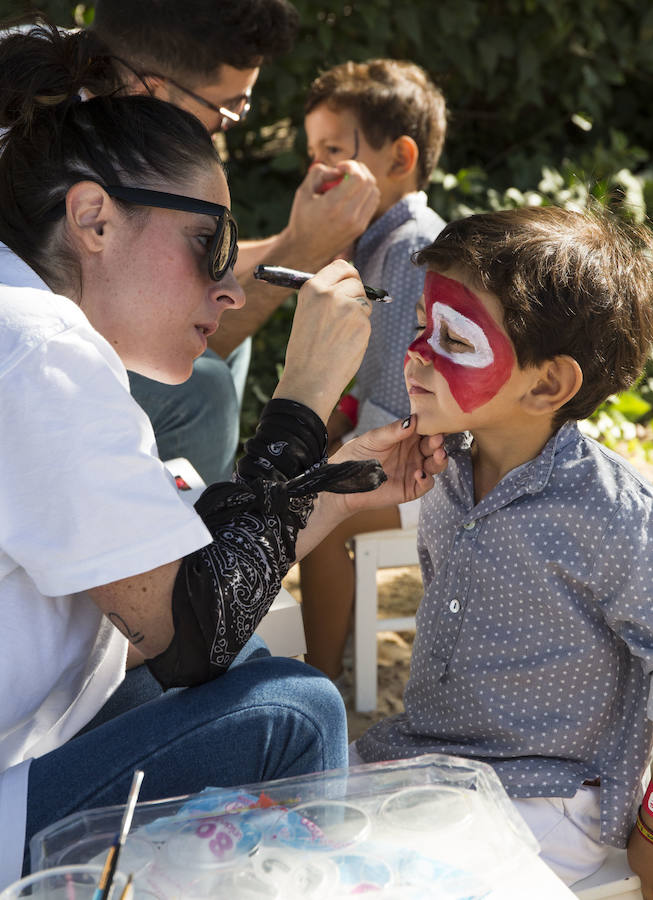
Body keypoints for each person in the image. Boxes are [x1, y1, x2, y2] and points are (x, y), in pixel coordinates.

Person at [0, 25, 445, 888]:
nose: (232, 287)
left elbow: (174, 579)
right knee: (295, 706)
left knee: (248, 661)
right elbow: (188, 637)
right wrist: (301, 401)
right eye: (210, 244)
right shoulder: (38, 350)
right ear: (93, 217)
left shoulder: (25, 323)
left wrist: (335, 480)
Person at [350, 205, 653, 887]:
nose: (416, 353)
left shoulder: (613, 516)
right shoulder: (439, 465)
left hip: (544, 798)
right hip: (421, 767)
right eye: (423, 326)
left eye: (454, 340)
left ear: (547, 384)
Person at [86, 0, 381, 482]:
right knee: (202, 388)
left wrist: (299, 236)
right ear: (148, 85)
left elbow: (182, 262)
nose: (228, 124)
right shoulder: (46, 130)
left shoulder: (106, 84)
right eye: (227, 107)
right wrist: (303, 250)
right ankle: (202, 551)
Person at [298, 58, 447, 680]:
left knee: (322, 513)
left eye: (334, 148)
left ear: (399, 157)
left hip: (433, 459)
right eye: (313, 151)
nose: (318, 168)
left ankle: (319, 679)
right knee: (307, 482)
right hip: (397, 438)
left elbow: (414, 384)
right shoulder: (378, 240)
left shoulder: (414, 248)